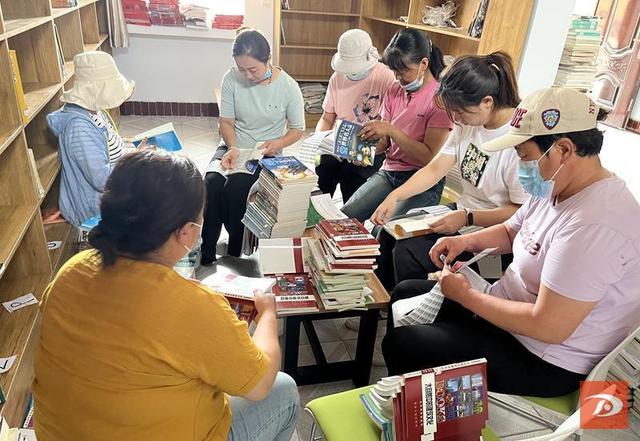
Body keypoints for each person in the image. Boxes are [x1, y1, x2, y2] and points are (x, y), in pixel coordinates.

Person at [382, 87, 640, 397]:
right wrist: (465, 242)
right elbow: (511, 231)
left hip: (541, 357)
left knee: (404, 343)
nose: (521, 166)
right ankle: (411, 398)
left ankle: (418, 408)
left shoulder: (595, 226)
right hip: (509, 314)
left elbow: (549, 327)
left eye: (525, 156)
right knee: (405, 293)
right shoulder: (556, 185)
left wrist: (466, 296)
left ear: (563, 150)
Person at [33, 150, 299, 441]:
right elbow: (260, 384)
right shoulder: (191, 306)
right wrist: (268, 314)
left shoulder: (71, 271)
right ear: (186, 232)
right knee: (283, 390)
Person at [371, 52, 528, 291]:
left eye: (461, 112)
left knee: (407, 251)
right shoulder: (469, 123)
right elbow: (435, 168)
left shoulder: (519, 144)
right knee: (389, 232)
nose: (456, 120)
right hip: (462, 213)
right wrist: (395, 196)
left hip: (492, 230)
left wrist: (467, 217)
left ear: (487, 102)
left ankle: (408, 302)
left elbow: (520, 213)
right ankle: (383, 302)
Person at [201, 28, 305, 265]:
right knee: (211, 183)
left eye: (253, 69)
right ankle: (206, 253)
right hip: (234, 146)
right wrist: (232, 148)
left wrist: (277, 144)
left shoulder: (288, 87)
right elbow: (226, 122)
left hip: (265, 153)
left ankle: (236, 252)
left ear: (268, 59)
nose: (247, 76)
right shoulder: (230, 78)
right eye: (241, 69)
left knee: (237, 188)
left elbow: (297, 129)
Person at [340, 28, 453, 222]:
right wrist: (363, 152)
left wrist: (392, 130)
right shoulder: (394, 90)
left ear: (423, 63)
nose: (398, 78)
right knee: (344, 217)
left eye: (404, 72)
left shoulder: (439, 101)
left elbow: (428, 158)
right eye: (394, 72)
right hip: (390, 172)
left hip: (422, 180)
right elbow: (384, 142)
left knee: (384, 229)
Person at [47, 51, 134, 226]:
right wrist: (136, 164)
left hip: (114, 187)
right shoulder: (80, 128)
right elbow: (102, 180)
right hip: (95, 207)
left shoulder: (95, 111)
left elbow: (109, 146)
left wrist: (132, 151)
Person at [314, 29, 395, 203]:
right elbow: (327, 118)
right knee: (323, 169)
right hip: (339, 141)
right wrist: (319, 138)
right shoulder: (337, 77)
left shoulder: (387, 77)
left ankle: (350, 218)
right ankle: (320, 214)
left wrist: (367, 151)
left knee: (351, 177)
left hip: (372, 144)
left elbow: (388, 131)